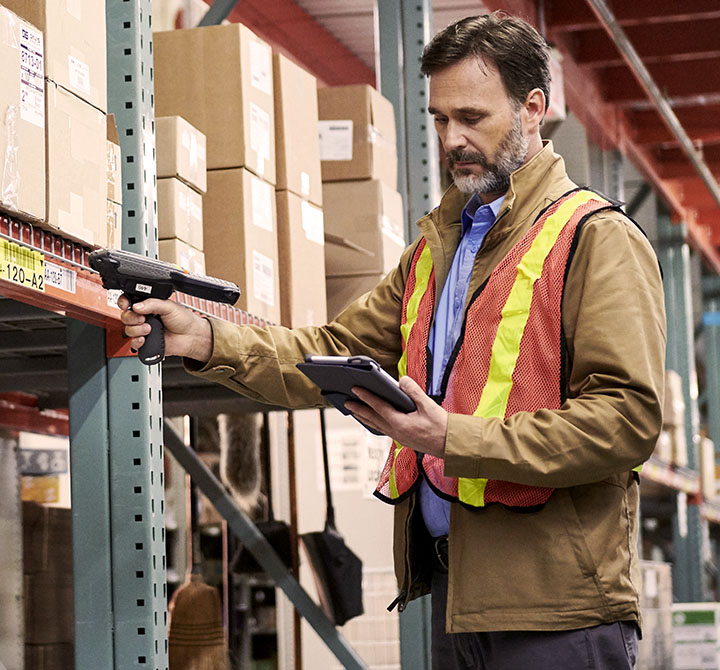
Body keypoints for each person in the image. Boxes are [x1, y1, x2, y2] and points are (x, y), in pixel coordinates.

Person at [121, 12, 665, 670]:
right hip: (454, 596)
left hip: (557, 613)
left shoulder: (595, 238)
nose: (452, 140)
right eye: (439, 120)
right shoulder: (436, 253)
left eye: (472, 117)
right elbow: (328, 353)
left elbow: (626, 420)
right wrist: (205, 338)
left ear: (533, 110)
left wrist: (450, 439)